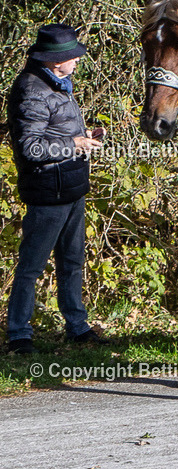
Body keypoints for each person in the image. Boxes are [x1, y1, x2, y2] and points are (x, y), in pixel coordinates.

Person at [5, 24, 105, 353]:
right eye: (73, 57)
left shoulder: (58, 83)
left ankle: (77, 327)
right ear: (55, 61)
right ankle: (19, 336)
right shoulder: (31, 89)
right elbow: (30, 148)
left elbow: (54, 131)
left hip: (72, 189)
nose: (78, 60)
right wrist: (73, 143)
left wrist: (83, 136)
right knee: (31, 267)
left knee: (72, 262)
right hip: (48, 193)